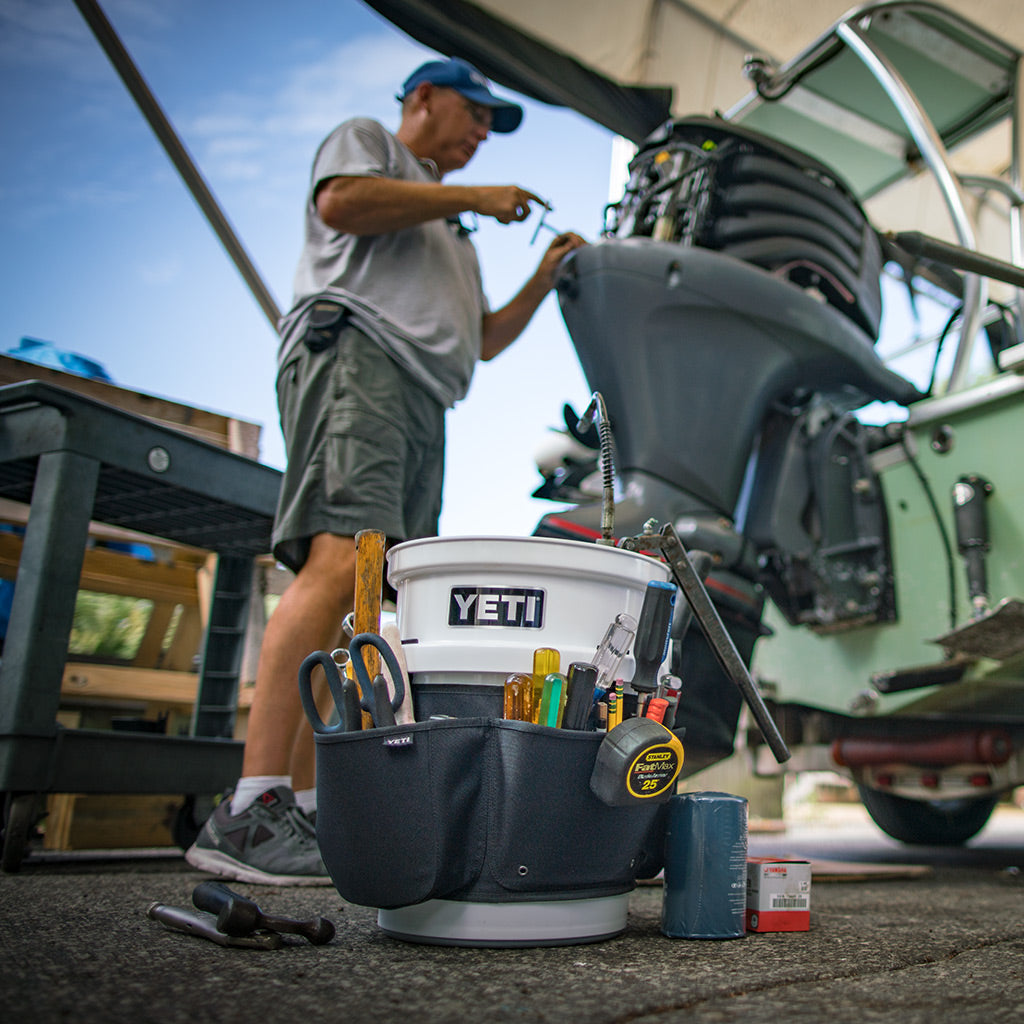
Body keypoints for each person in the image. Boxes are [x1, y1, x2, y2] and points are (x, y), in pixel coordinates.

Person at [185, 57, 586, 884]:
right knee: (336, 564)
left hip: (422, 396)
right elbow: (343, 202)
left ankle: (295, 802)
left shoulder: (456, 236)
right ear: (422, 101)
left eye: (488, 126)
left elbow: (482, 340)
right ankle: (247, 806)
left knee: (364, 597)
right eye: (474, 114)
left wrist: (544, 275)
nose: (480, 133)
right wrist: (472, 195)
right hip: (358, 360)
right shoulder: (371, 147)